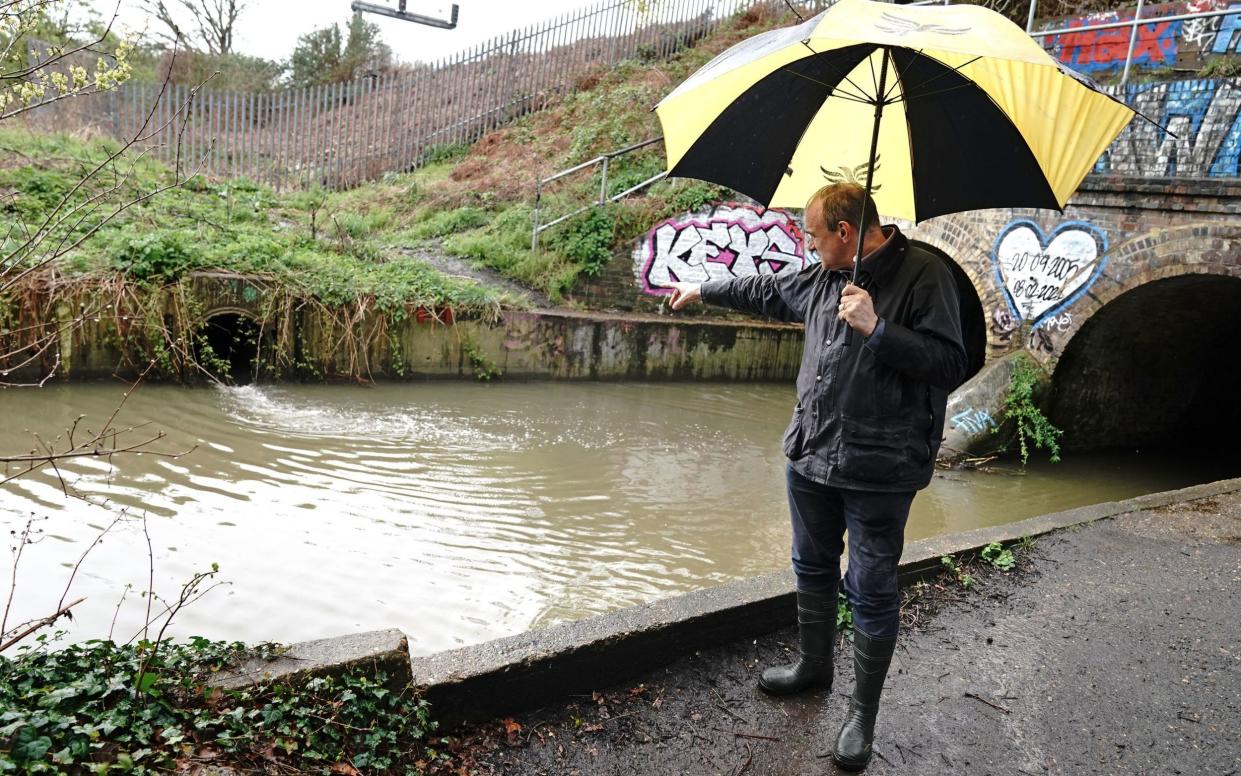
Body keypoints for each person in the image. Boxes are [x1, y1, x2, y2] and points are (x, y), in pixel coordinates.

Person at [667, 182, 967, 771]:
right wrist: (702, 287)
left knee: (872, 585)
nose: (807, 242)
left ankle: (862, 713)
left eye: (812, 233)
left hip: (881, 467)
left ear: (846, 232)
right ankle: (813, 666)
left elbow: (949, 363)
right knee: (810, 564)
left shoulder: (927, 276)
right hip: (812, 452)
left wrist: (878, 329)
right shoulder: (827, 277)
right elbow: (766, 290)